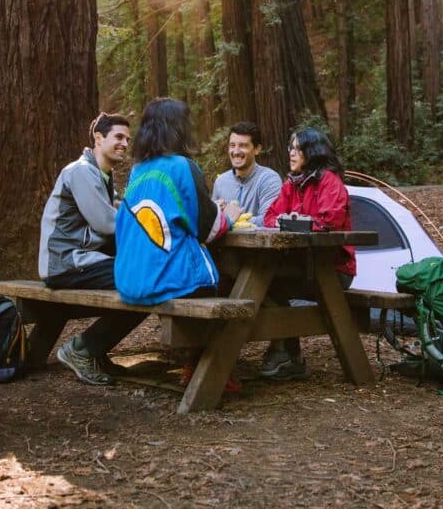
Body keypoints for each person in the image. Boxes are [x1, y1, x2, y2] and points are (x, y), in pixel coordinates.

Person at [40, 111, 141, 386]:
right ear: (98, 137)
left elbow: (112, 214)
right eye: (118, 137)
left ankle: (94, 351)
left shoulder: (101, 175)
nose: (124, 143)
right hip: (66, 262)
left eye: (127, 139)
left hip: (79, 260)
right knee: (142, 282)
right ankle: (82, 350)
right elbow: (107, 223)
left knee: (143, 280)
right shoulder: (81, 172)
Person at [114, 98, 242, 305]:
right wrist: (228, 217)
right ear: (178, 129)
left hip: (129, 281)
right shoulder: (183, 166)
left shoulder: (137, 171)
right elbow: (207, 229)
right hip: (173, 281)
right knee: (228, 284)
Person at [260, 127, 356, 380]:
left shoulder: (329, 182)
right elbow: (271, 217)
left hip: (332, 270)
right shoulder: (292, 184)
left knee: (269, 284)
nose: (291, 153)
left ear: (312, 152)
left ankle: (285, 354)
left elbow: (329, 222)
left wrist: (294, 221)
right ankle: (288, 356)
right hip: (301, 267)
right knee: (263, 284)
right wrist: (289, 220)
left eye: (297, 148)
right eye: (290, 148)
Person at [212, 121, 282, 221]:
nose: (236, 151)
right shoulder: (221, 182)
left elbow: (268, 220)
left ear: (257, 149)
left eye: (243, 146)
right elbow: (211, 222)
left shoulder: (269, 180)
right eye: (232, 145)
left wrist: (229, 219)